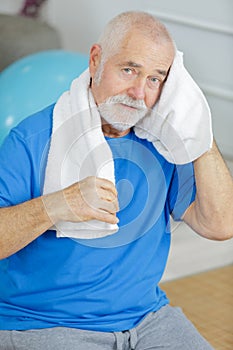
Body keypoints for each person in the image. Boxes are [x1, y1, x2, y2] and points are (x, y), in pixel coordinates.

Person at [0, 11, 232, 350]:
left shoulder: (165, 142)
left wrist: (198, 129)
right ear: (96, 60)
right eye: (129, 70)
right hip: (43, 324)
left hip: (148, 320)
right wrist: (55, 206)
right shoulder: (32, 139)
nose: (139, 92)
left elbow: (220, 225)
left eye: (156, 79)